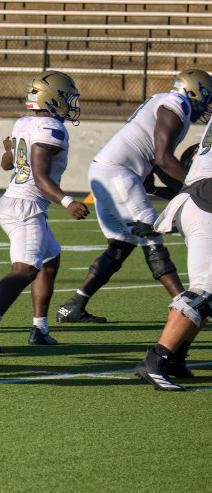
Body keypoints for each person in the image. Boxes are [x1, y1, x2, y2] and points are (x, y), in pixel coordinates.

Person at [54, 70, 212, 324]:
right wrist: (196, 183)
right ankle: (187, 309)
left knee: (122, 243)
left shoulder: (165, 102)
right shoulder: (177, 105)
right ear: (195, 92)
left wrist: (172, 189)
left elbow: (157, 163)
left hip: (108, 170)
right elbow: (163, 159)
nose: (206, 105)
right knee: (151, 238)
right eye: (207, 98)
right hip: (118, 172)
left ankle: (74, 305)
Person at [0, 72, 89, 353]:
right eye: (67, 98)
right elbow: (41, 177)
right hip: (26, 207)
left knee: (50, 259)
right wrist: (68, 202)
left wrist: (10, 148)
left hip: (15, 201)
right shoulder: (51, 129)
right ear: (54, 99)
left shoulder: (24, 122)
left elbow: (6, 164)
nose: (71, 104)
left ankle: (39, 329)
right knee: (24, 271)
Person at [130, 114, 212, 390]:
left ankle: (175, 357)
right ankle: (156, 360)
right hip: (206, 201)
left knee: (205, 292)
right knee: (205, 292)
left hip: (197, 197)